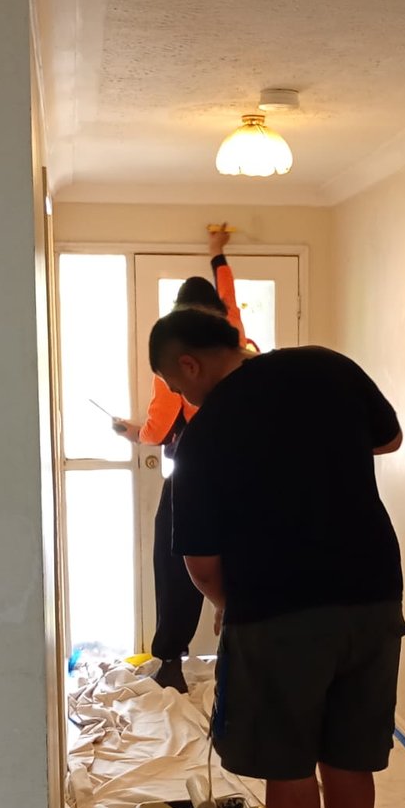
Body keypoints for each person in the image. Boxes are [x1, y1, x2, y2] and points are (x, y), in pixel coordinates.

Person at [148, 307, 405, 808]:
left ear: (190, 364)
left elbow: (200, 563)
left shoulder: (205, 436)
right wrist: (323, 454)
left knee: (289, 768)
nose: (183, 398)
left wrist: (228, 605)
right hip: (374, 594)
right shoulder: (327, 366)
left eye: (177, 386)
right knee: (350, 755)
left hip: (280, 610)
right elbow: (390, 439)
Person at [114, 226, 254, 693]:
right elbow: (228, 294)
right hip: (246, 472)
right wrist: (218, 253)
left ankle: (171, 660)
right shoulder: (235, 337)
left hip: (193, 472)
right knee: (244, 558)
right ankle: (241, 655)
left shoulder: (178, 359)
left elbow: (157, 430)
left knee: (176, 565)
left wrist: (130, 432)